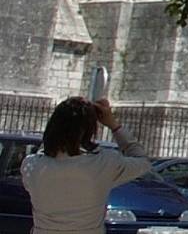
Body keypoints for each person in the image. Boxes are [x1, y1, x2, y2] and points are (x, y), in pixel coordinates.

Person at [21, 97, 153, 234]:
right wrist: (113, 125)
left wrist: (56, 135)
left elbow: (48, 151)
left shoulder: (31, 165)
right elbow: (142, 161)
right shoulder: (104, 163)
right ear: (89, 131)